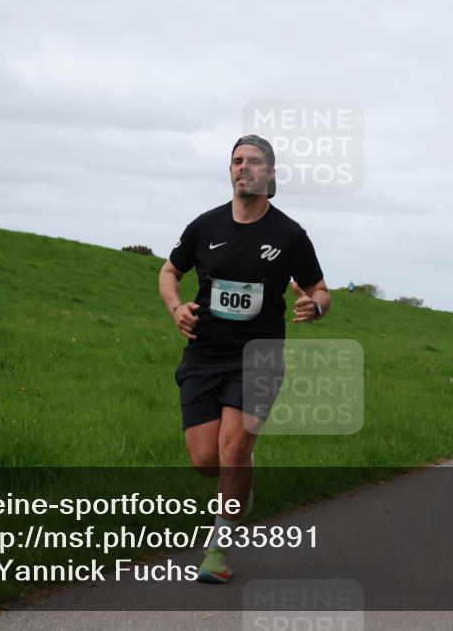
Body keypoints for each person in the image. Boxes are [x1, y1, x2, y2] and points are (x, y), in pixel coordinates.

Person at [158, 135, 330, 583]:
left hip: (259, 355)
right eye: (237, 161)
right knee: (204, 460)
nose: (243, 168)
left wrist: (317, 305)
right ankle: (241, 489)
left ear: (271, 174)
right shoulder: (205, 226)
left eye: (254, 162)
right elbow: (170, 271)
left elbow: (320, 289)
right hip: (204, 354)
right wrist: (176, 307)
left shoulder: (289, 235)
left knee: (233, 451)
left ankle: (217, 550)